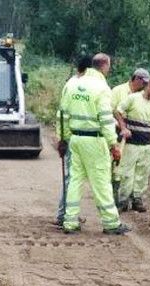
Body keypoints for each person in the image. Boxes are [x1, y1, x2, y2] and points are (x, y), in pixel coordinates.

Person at [58, 53, 129, 235]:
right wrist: (113, 144)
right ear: (103, 67)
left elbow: (62, 114)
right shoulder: (101, 87)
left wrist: (63, 139)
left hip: (75, 139)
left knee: (75, 181)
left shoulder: (72, 84)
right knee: (102, 183)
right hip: (94, 140)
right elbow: (106, 119)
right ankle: (111, 223)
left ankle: (70, 221)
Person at [114, 76, 150, 212]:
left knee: (143, 172)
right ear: (148, 86)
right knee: (127, 172)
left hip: (146, 144)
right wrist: (123, 128)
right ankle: (123, 200)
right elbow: (118, 111)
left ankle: (137, 199)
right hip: (131, 143)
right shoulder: (133, 98)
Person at [54, 58, 88, 226]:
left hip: (72, 137)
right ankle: (64, 214)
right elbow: (63, 114)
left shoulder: (75, 84)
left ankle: (66, 213)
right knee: (71, 178)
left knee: (72, 177)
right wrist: (63, 139)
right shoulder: (74, 85)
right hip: (72, 138)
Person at [108, 68, 150, 195]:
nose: (144, 86)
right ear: (137, 79)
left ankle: (123, 192)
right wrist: (120, 126)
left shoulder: (141, 95)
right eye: (143, 82)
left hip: (133, 134)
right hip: (116, 130)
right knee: (114, 160)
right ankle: (111, 189)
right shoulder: (118, 90)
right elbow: (109, 110)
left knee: (126, 164)